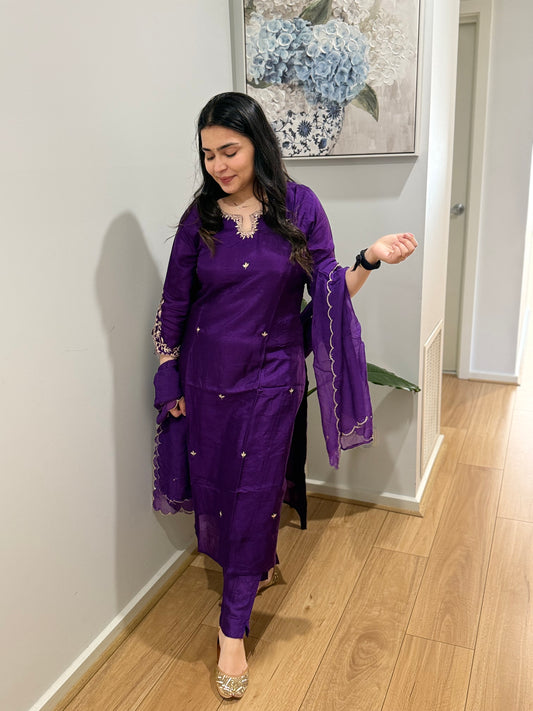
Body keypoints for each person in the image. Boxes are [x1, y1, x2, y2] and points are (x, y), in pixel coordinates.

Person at [151, 91, 417, 699]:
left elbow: (327, 291)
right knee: (220, 484)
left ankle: (232, 629)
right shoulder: (201, 218)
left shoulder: (300, 206)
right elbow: (174, 304)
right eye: (208, 154)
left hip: (273, 376)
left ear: (258, 143)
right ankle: (255, 566)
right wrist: (167, 375)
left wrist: (369, 259)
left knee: (256, 486)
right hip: (207, 378)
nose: (218, 165)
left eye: (230, 150)